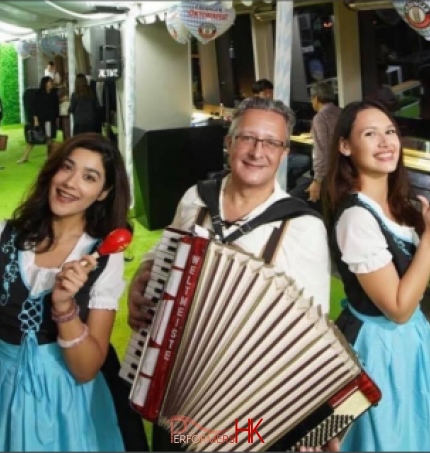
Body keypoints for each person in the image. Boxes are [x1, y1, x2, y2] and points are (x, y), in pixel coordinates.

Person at [127, 97, 336, 452]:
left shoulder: (301, 226)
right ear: (229, 142)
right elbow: (161, 253)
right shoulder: (196, 198)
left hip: (250, 402)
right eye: (248, 138)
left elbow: (312, 334)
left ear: (284, 152)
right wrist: (142, 276)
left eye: (271, 142)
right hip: (179, 390)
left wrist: (309, 419)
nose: (258, 151)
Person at [0, 133, 144, 451]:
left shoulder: (105, 257)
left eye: (89, 177)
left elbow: (85, 369)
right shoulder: (6, 234)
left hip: (64, 404)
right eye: (67, 167)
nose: (70, 183)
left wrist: (64, 305)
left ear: (103, 193)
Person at [324, 100, 430, 451]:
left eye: (390, 132)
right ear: (345, 146)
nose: (385, 142)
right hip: (375, 351)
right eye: (370, 134)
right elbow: (398, 307)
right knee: (383, 438)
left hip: (410, 341)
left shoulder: (400, 205)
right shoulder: (356, 218)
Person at [290, 81, 342, 211]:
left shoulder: (320, 118)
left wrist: (317, 180)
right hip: (343, 170)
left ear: (316, 98)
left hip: (328, 174)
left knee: (293, 199)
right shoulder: (342, 112)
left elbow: (321, 151)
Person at [18, 76, 60, 164]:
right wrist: (36, 120)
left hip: (50, 120)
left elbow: (56, 108)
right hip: (40, 120)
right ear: (45, 83)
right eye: (49, 82)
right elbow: (34, 108)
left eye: (51, 82)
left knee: (49, 139)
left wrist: (56, 119)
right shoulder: (38, 94)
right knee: (33, 139)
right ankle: (25, 157)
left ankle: (48, 157)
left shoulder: (53, 94)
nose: (51, 83)